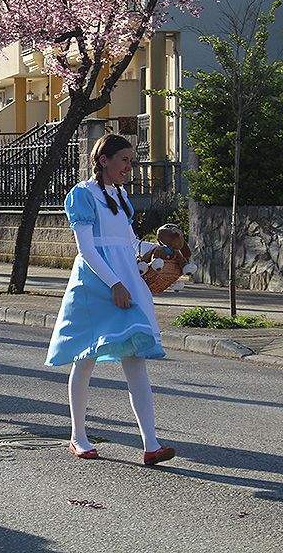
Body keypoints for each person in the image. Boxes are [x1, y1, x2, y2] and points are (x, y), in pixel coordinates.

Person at [46, 134, 175, 466]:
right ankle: (78, 436)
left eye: (131, 161)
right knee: (85, 358)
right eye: (124, 160)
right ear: (104, 160)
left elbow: (128, 243)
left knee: (135, 357)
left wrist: (154, 249)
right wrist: (115, 284)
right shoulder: (82, 194)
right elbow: (87, 249)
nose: (129, 167)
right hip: (96, 283)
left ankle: (151, 444)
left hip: (126, 281)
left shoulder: (120, 195)